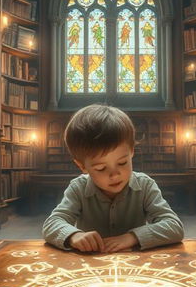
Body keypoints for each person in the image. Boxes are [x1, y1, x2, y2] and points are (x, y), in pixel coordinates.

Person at [42, 104, 184, 253]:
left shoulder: (145, 185)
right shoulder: (78, 188)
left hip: (135, 265)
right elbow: (52, 224)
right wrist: (74, 236)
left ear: (132, 152)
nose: (115, 174)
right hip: (90, 266)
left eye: (122, 162)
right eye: (101, 168)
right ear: (82, 166)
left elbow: (174, 226)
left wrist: (132, 237)